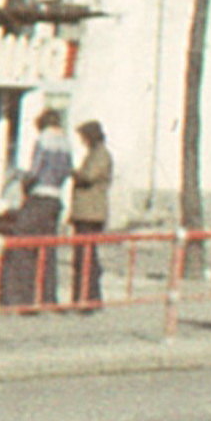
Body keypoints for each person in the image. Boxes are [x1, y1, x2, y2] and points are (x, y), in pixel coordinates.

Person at [1, 107, 72, 310]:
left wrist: (19, 178)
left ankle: (22, 297)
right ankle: (48, 298)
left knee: (22, 245)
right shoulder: (66, 143)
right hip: (55, 199)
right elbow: (67, 170)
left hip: (39, 197)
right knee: (48, 251)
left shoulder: (43, 140)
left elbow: (35, 171)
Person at [66, 118, 117, 311]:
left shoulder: (101, 155)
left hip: (91, 213)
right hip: (85, 212)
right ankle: (83, 297)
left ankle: (90, 299)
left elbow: (89, 176)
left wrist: (72, 172)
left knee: (87, 257)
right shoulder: (94, 153)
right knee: (82, 257)